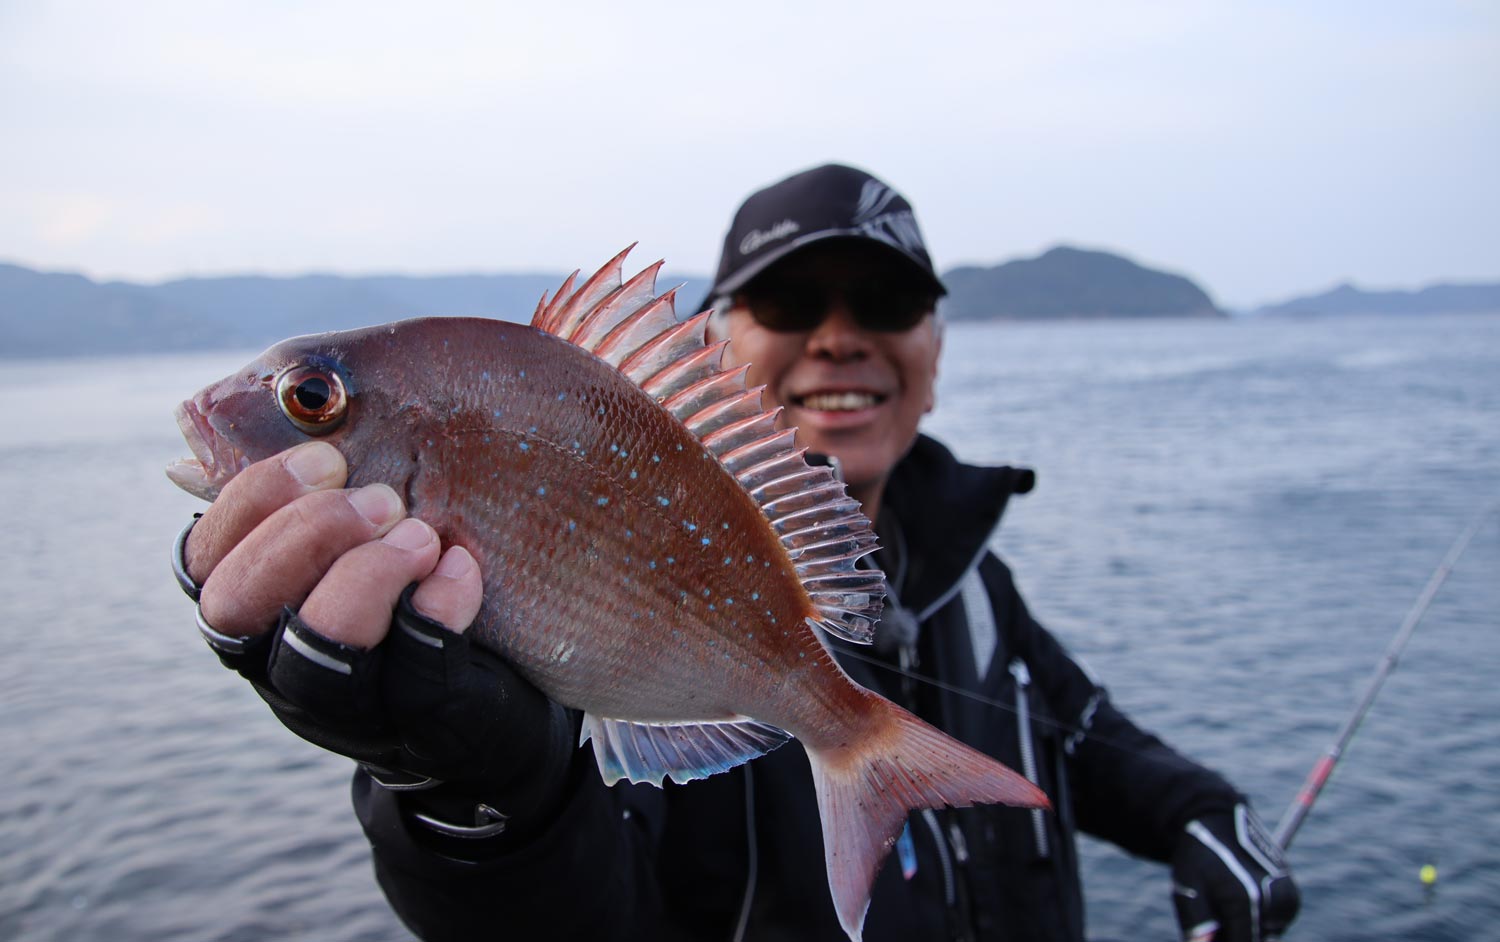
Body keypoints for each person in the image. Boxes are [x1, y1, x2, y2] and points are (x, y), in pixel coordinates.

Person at [173, 163, 1300, 941]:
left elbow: (1081, 730)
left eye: (889, 300)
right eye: (792, 299)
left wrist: (1199, 814)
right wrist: (475, 794)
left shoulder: (971, 564)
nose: (841, 335)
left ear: (935, 345)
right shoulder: (547, 673)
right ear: (712, 344)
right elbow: (578, 919)